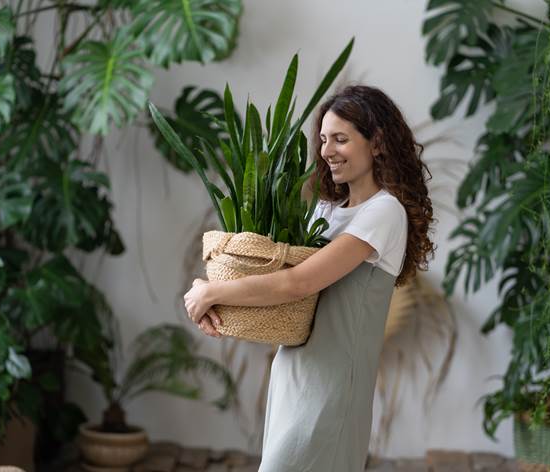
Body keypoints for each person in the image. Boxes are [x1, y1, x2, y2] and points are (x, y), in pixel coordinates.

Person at [183, 85, 435, 472]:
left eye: (340, 139)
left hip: (333, 389)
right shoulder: (326, 210)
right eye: (323, 139)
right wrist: (214, 296)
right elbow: (274, 277)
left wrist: (213, 291)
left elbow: (297, 283)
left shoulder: (385, 213)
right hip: (294, 374)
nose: (327, 150)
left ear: (378, 142)